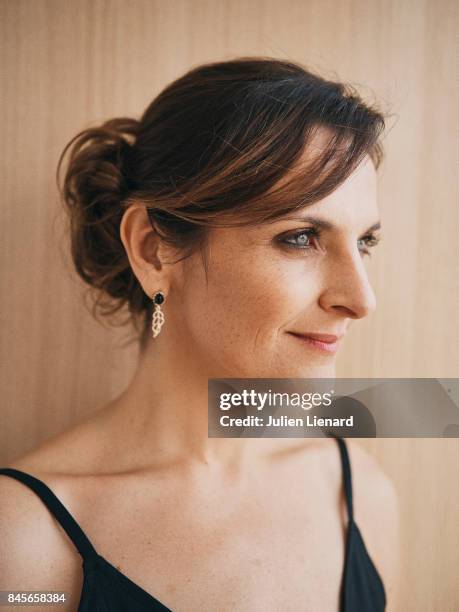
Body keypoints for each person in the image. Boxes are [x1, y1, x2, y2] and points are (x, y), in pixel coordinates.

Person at [0, 57, 400, 611]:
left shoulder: (359, 491)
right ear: (152, 248)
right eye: (302, 237)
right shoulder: (23, 542)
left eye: (365, 243)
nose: (361, 300)